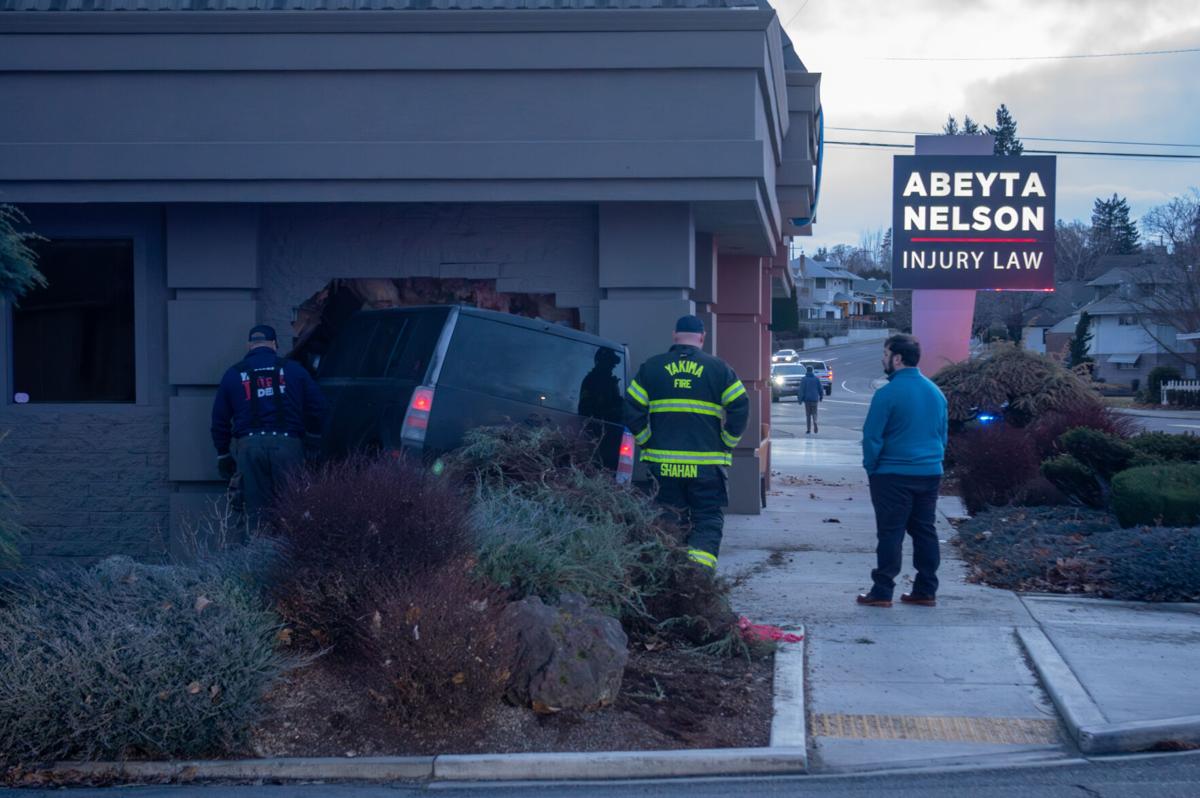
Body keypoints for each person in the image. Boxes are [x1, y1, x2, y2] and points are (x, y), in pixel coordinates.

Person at [624, 315, 750, 572]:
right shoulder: (719, 369)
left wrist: (647, 441)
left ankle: (669, 574)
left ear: (674, 336)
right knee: (706, 519)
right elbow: (740, 407)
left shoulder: (652, 368)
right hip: (706, 466)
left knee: (668, 517)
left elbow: (631, 409)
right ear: (702, 338)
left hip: (664, 466)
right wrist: (727, 441)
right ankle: (697, 578)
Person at [857, 333, 948, 608]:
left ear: (897, 358)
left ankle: (882, 591)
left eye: (885, 354)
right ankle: (926, 589)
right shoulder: (936, 392)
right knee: (924, 530)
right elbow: (942, 434)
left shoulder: (886, 394)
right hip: (930, 472)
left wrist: (871, 467)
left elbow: (872, 436)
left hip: (892, 474)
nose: (883, 359)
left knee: (890, 533)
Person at [211, 324, 328, 533]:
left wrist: (223, 454)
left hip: (249, 447)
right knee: (293, 511)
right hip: (288, 445)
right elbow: (319, 408)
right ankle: (288, 560)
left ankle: (257, 559)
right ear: (274, 345)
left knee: (255, 514)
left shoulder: (233, 374)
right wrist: (313, 439)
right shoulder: (294, 370)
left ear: (249, 345)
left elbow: (219, 420)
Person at [799, 365, 823, 434]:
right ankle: (815, 421)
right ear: (812, 371)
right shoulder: (816, 379)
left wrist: (800, 399)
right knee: (814, 413)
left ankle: (808, 429)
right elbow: (820, 389)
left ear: (806, 371)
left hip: (807, 399)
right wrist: (821, 396)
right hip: (815, 399)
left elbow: (801, 390)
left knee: (808, 415)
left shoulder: (804, 379)